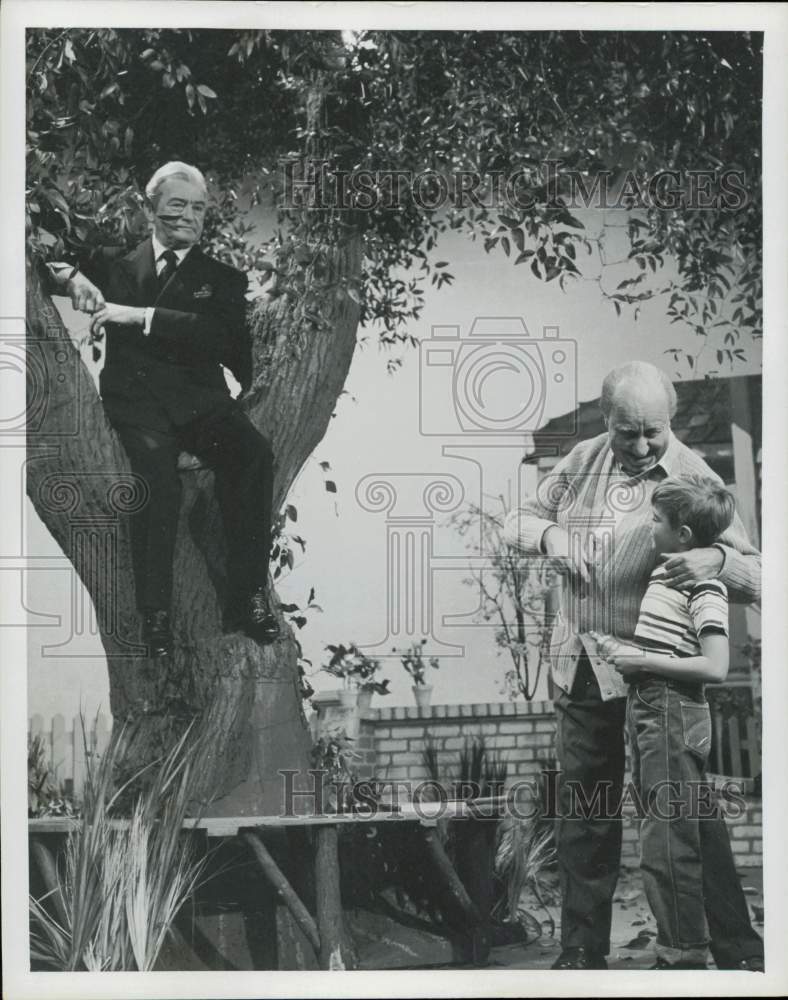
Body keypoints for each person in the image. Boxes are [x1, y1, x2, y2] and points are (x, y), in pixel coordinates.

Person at [503, 360, 763, 971]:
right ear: (606, 418)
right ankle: (581, 951)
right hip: (584, 663)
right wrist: (552, 539)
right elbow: (519, 519)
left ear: (669, 421)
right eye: (629, 432)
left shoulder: (693, 472)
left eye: (655, 431)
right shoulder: (582, 460)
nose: (643, 445)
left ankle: (735, 946)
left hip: (662, 676)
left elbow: (761, 573)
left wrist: (717, 564)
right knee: (585, 811)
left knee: (683, 812)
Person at [46, 161, 279, 658]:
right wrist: (70, 278)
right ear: (151, 208)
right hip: (137, 405)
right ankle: (155, 615)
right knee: (156, 482)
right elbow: (39, 249)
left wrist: (142, 315)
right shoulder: (113, 261)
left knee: (254, 455)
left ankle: (248, 598)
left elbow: (217, 336)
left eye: (198, 208)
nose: (188, 216)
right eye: (177, 204)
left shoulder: (222, 278)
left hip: (201, 405)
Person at [592, 476, 737, 969]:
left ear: (685, 535)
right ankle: (691, 947)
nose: (648, 526)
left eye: (656, 520)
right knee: (667, 830)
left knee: (668, 839)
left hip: (673, 709)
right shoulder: (668, 575)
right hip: (654, 708)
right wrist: (627, 654)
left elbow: (715, 666)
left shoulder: (704, 584)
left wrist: (643, 663)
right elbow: (665, 646)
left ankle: (683, 955)